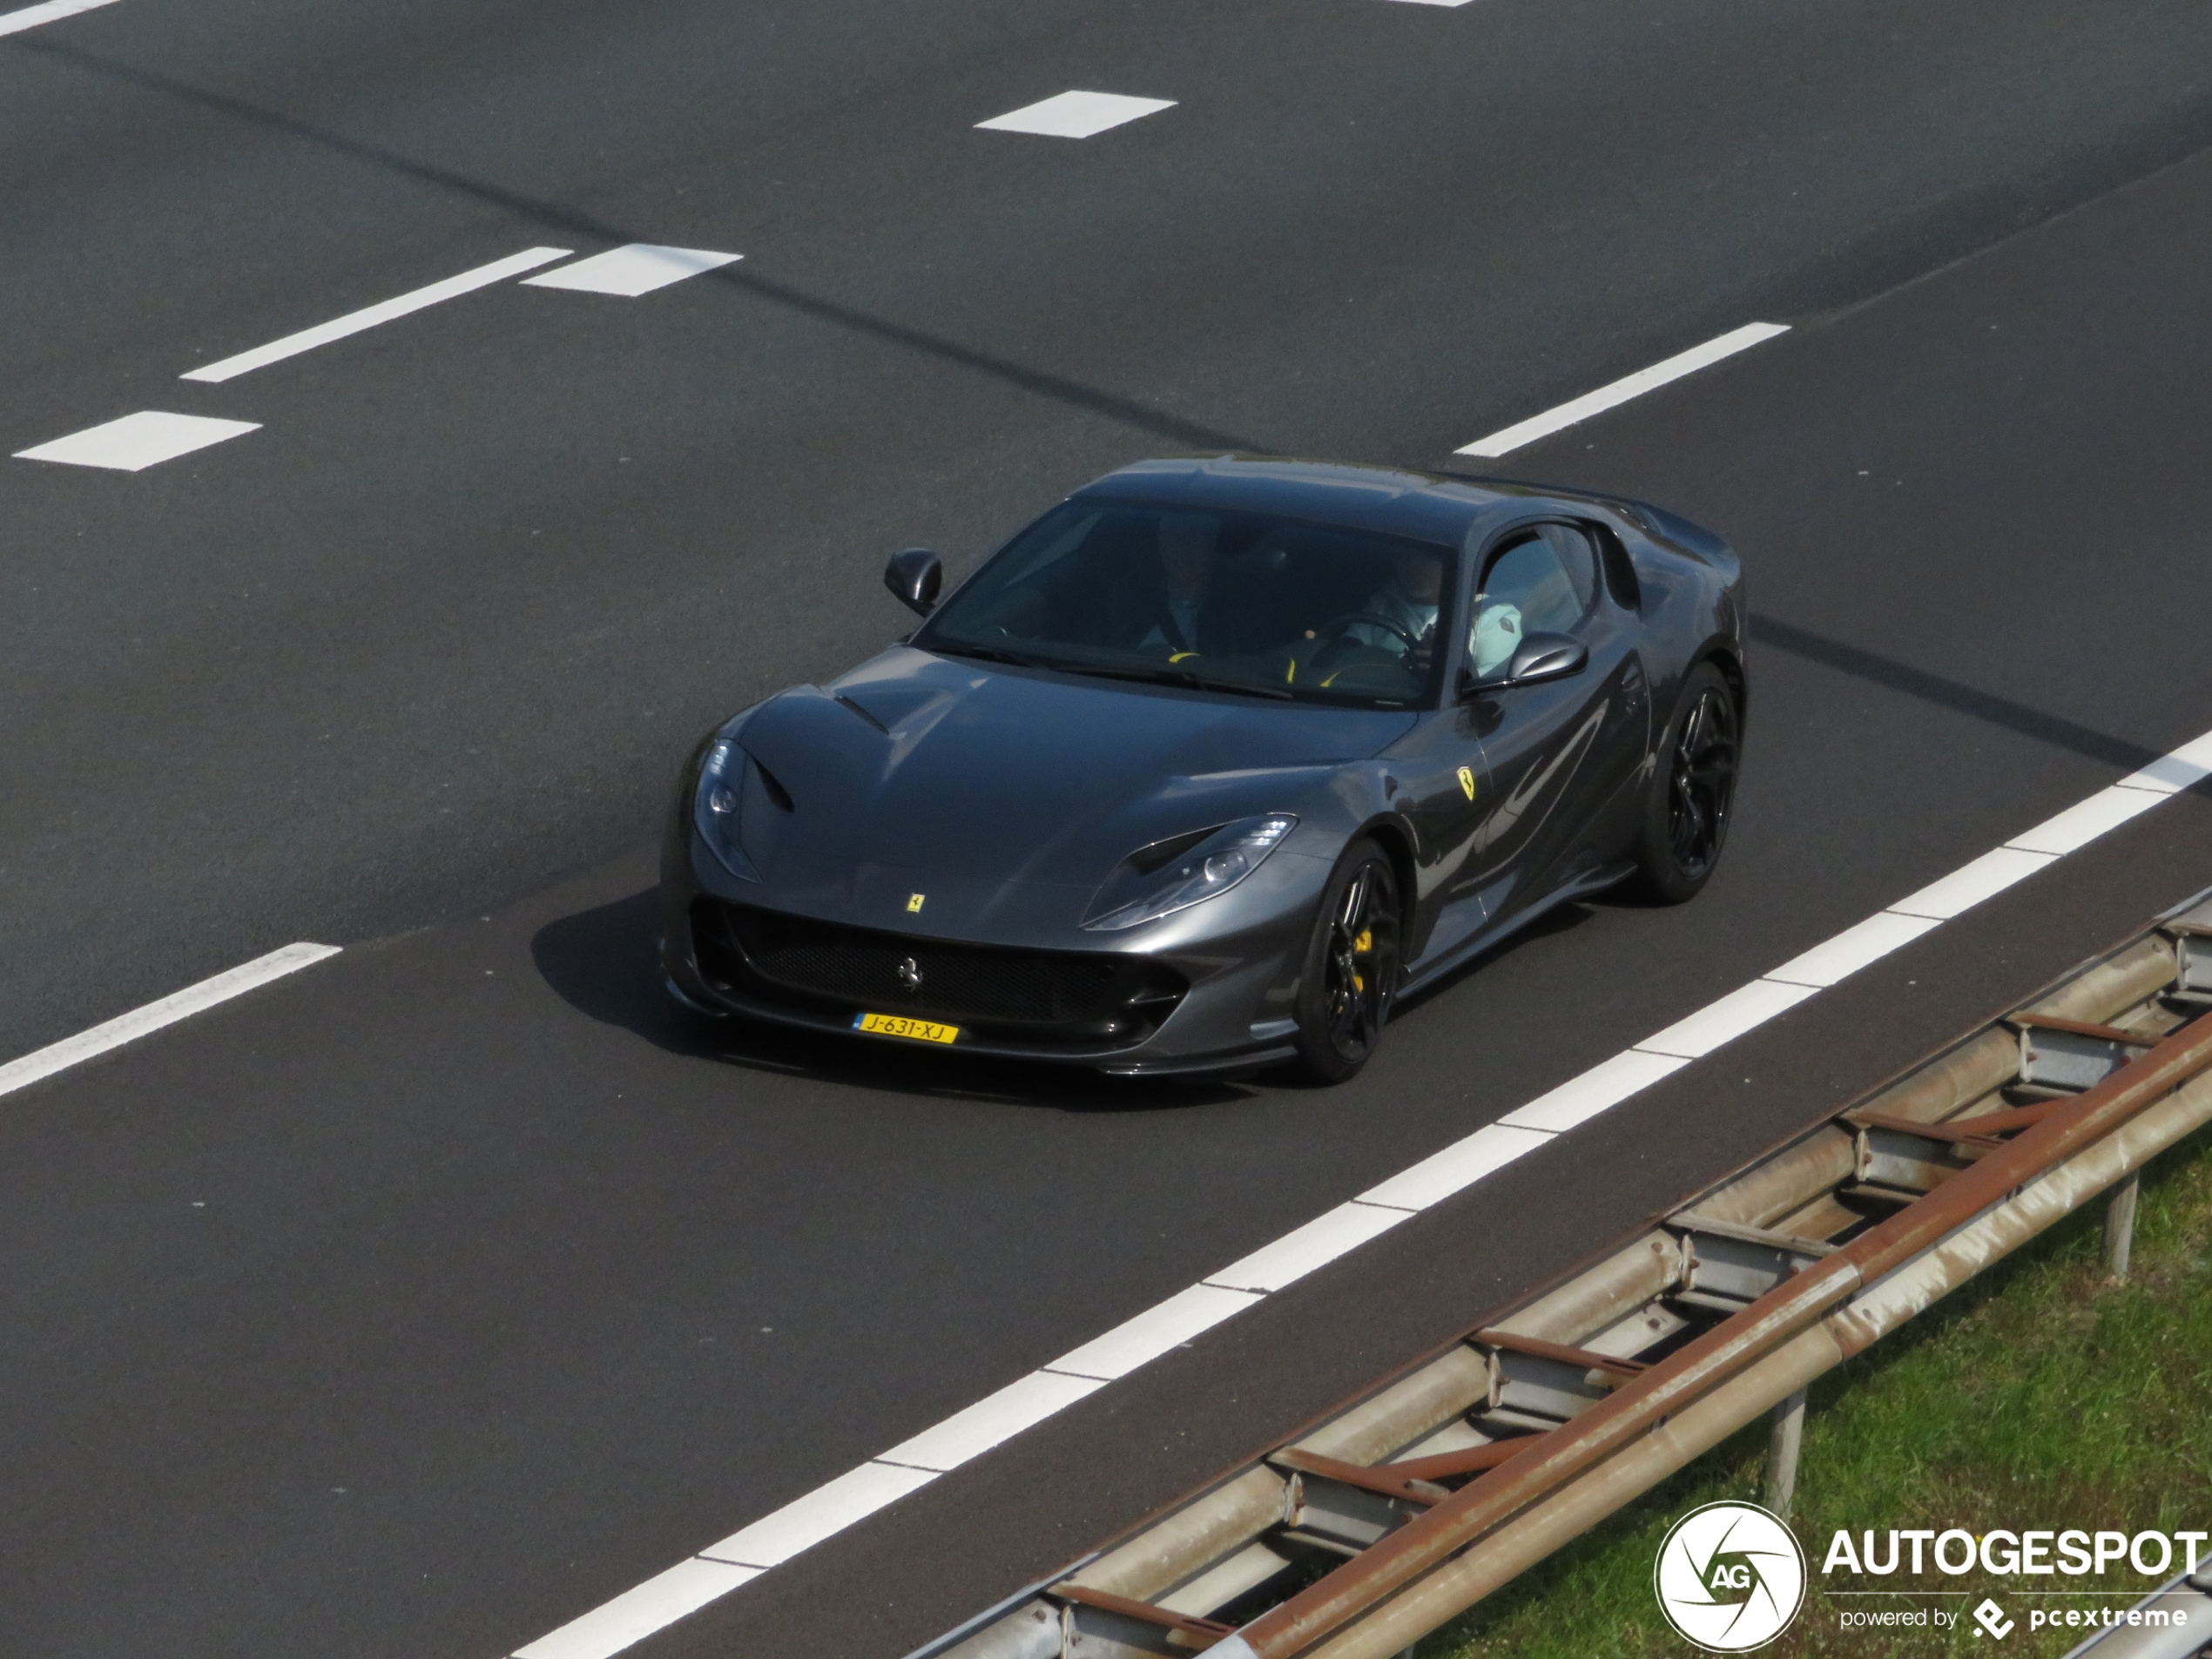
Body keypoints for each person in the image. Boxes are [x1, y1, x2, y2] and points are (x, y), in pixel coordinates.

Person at [1131, 512, 1228, 654]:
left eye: (1194, 537)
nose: (1182, 547)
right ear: (1160, 543)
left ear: (1213, 544)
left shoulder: (1242, 610)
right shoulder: (1130, 603)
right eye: (1173, 535)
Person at [1343, 550, 1443, 656]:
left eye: (1425, 557)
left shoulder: (1459, 619)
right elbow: (1347, 653)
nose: (1412, 564)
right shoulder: (1382, 604)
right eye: (1404, 557)